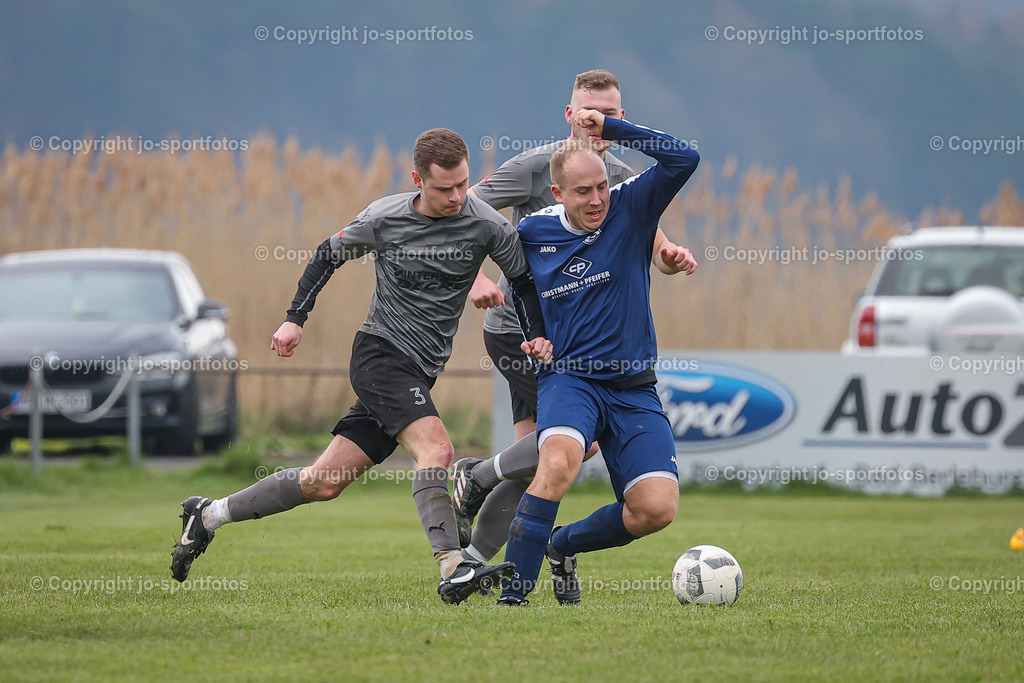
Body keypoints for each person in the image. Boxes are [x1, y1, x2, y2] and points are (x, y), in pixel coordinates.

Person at [169, 128, 552, 605]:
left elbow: (522, 280)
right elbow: (326, 255)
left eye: (463, 184)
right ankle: (453, 566)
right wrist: (294, 320)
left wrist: (536, 333)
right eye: (444, 189)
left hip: (420, 370)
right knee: (437, 449)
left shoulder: (488, 224)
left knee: (322, 483)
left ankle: (208, 515)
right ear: (417, 180)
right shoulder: (384, 218)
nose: (458, 197)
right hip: (380, 355)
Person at [451, 69, 696, 604]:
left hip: (632, 385)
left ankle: (555, 545)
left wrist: (615, 130)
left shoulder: (629, 198)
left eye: (602, 187)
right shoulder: (533, 226)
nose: (597, 199)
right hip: (568, 375)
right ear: (558, 193)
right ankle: (513, 593)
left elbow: (685, 158)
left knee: (656, 509)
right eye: (584, 192)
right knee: (557, 461)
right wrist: (532, 329)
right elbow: (507, 266)